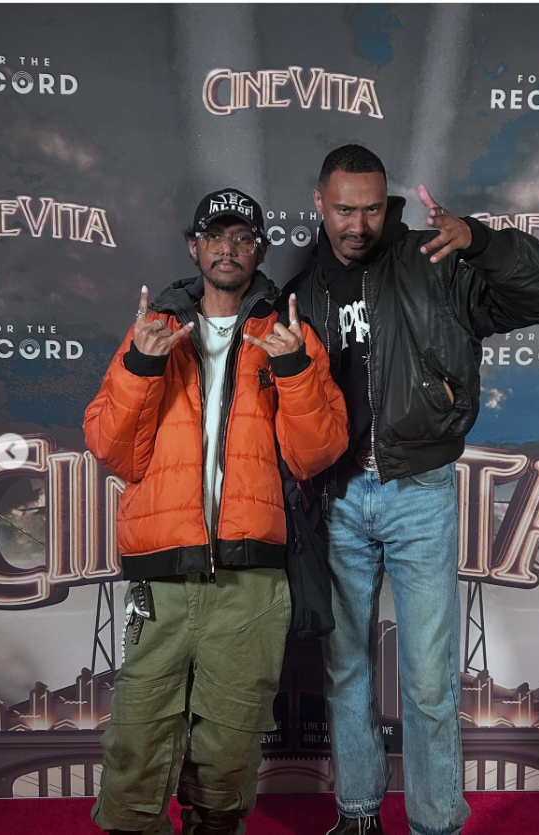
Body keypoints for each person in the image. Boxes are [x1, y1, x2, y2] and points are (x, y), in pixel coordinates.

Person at [278, 145, 539, 835]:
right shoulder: (302, 288)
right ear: (319, 202)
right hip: (338, 496)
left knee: (430, 679)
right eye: (344, 209)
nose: (358, 224)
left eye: (372, 208)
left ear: (390, 204)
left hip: (419, 488)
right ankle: (357, 813)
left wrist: (483, 242)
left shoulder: (433, 260)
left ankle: (435, 823)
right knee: (344, 667)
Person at [84, 188, 348, 835]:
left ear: (257, 248)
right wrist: (142, 363)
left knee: (230, 750)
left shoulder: (287, 331)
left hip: (251, 582)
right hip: (162, 577)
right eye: (215, 236)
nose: (227, 248)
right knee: (137, 736)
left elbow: (317, 452)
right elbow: (113, 447)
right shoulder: (155, 328)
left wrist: (292, 367)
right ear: (193, 247)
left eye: (241, 237)